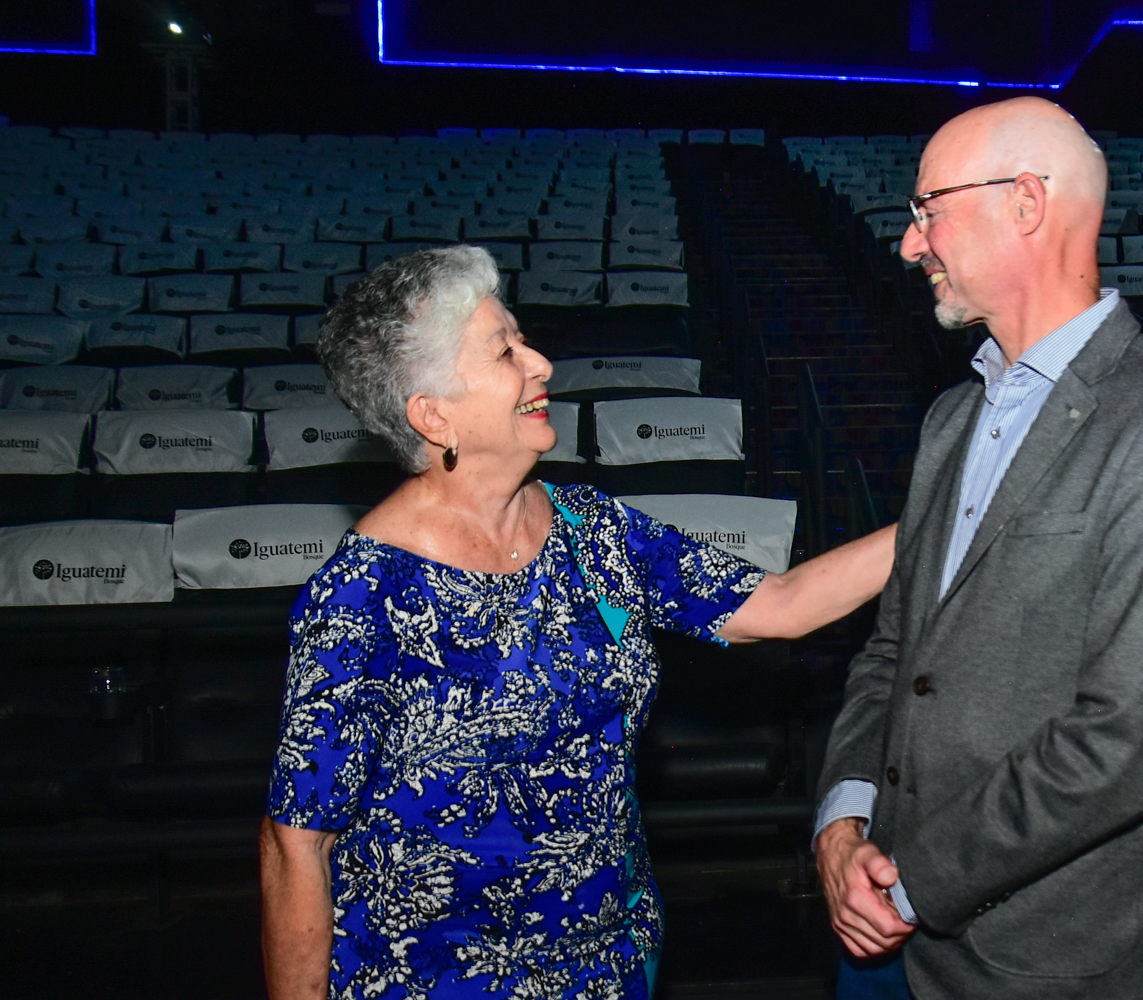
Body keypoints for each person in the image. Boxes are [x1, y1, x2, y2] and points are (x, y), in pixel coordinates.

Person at [260, 246, 896, 1000]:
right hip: (435, 976)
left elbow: (781, 603)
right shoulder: (361, 596)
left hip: (609, 959)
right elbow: (296, 845)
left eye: (522, 339)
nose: (540, 364)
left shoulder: (590, 529)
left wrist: (956, 507)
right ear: (433, 416)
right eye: (504, 352)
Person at [812, 97, 1143, 999]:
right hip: (878, 920)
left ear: (1023, 203)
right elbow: (894, 653)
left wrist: (911, 883)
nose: (908, 243)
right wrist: (843, 819)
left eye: (927, 210)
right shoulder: (951, 418)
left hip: (1027, 960)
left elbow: (1120, 747)